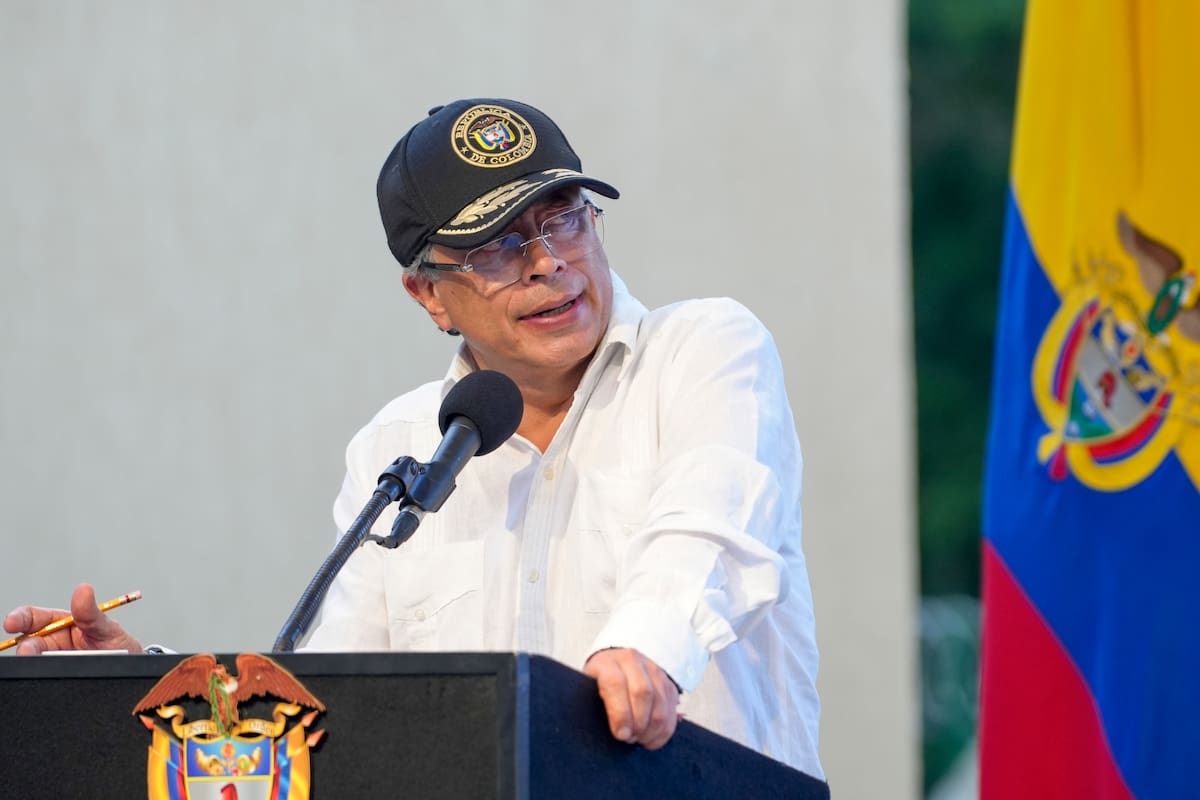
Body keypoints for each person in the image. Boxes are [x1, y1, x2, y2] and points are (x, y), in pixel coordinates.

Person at [3, 98, 823, 779]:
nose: (547, 262)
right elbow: (338, 710)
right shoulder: (395, 446)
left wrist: (643, 647)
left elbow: (711, 531)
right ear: (428, 294)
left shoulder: (706, 349)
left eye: (564, 220)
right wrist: (149, 684)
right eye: (499, 245)